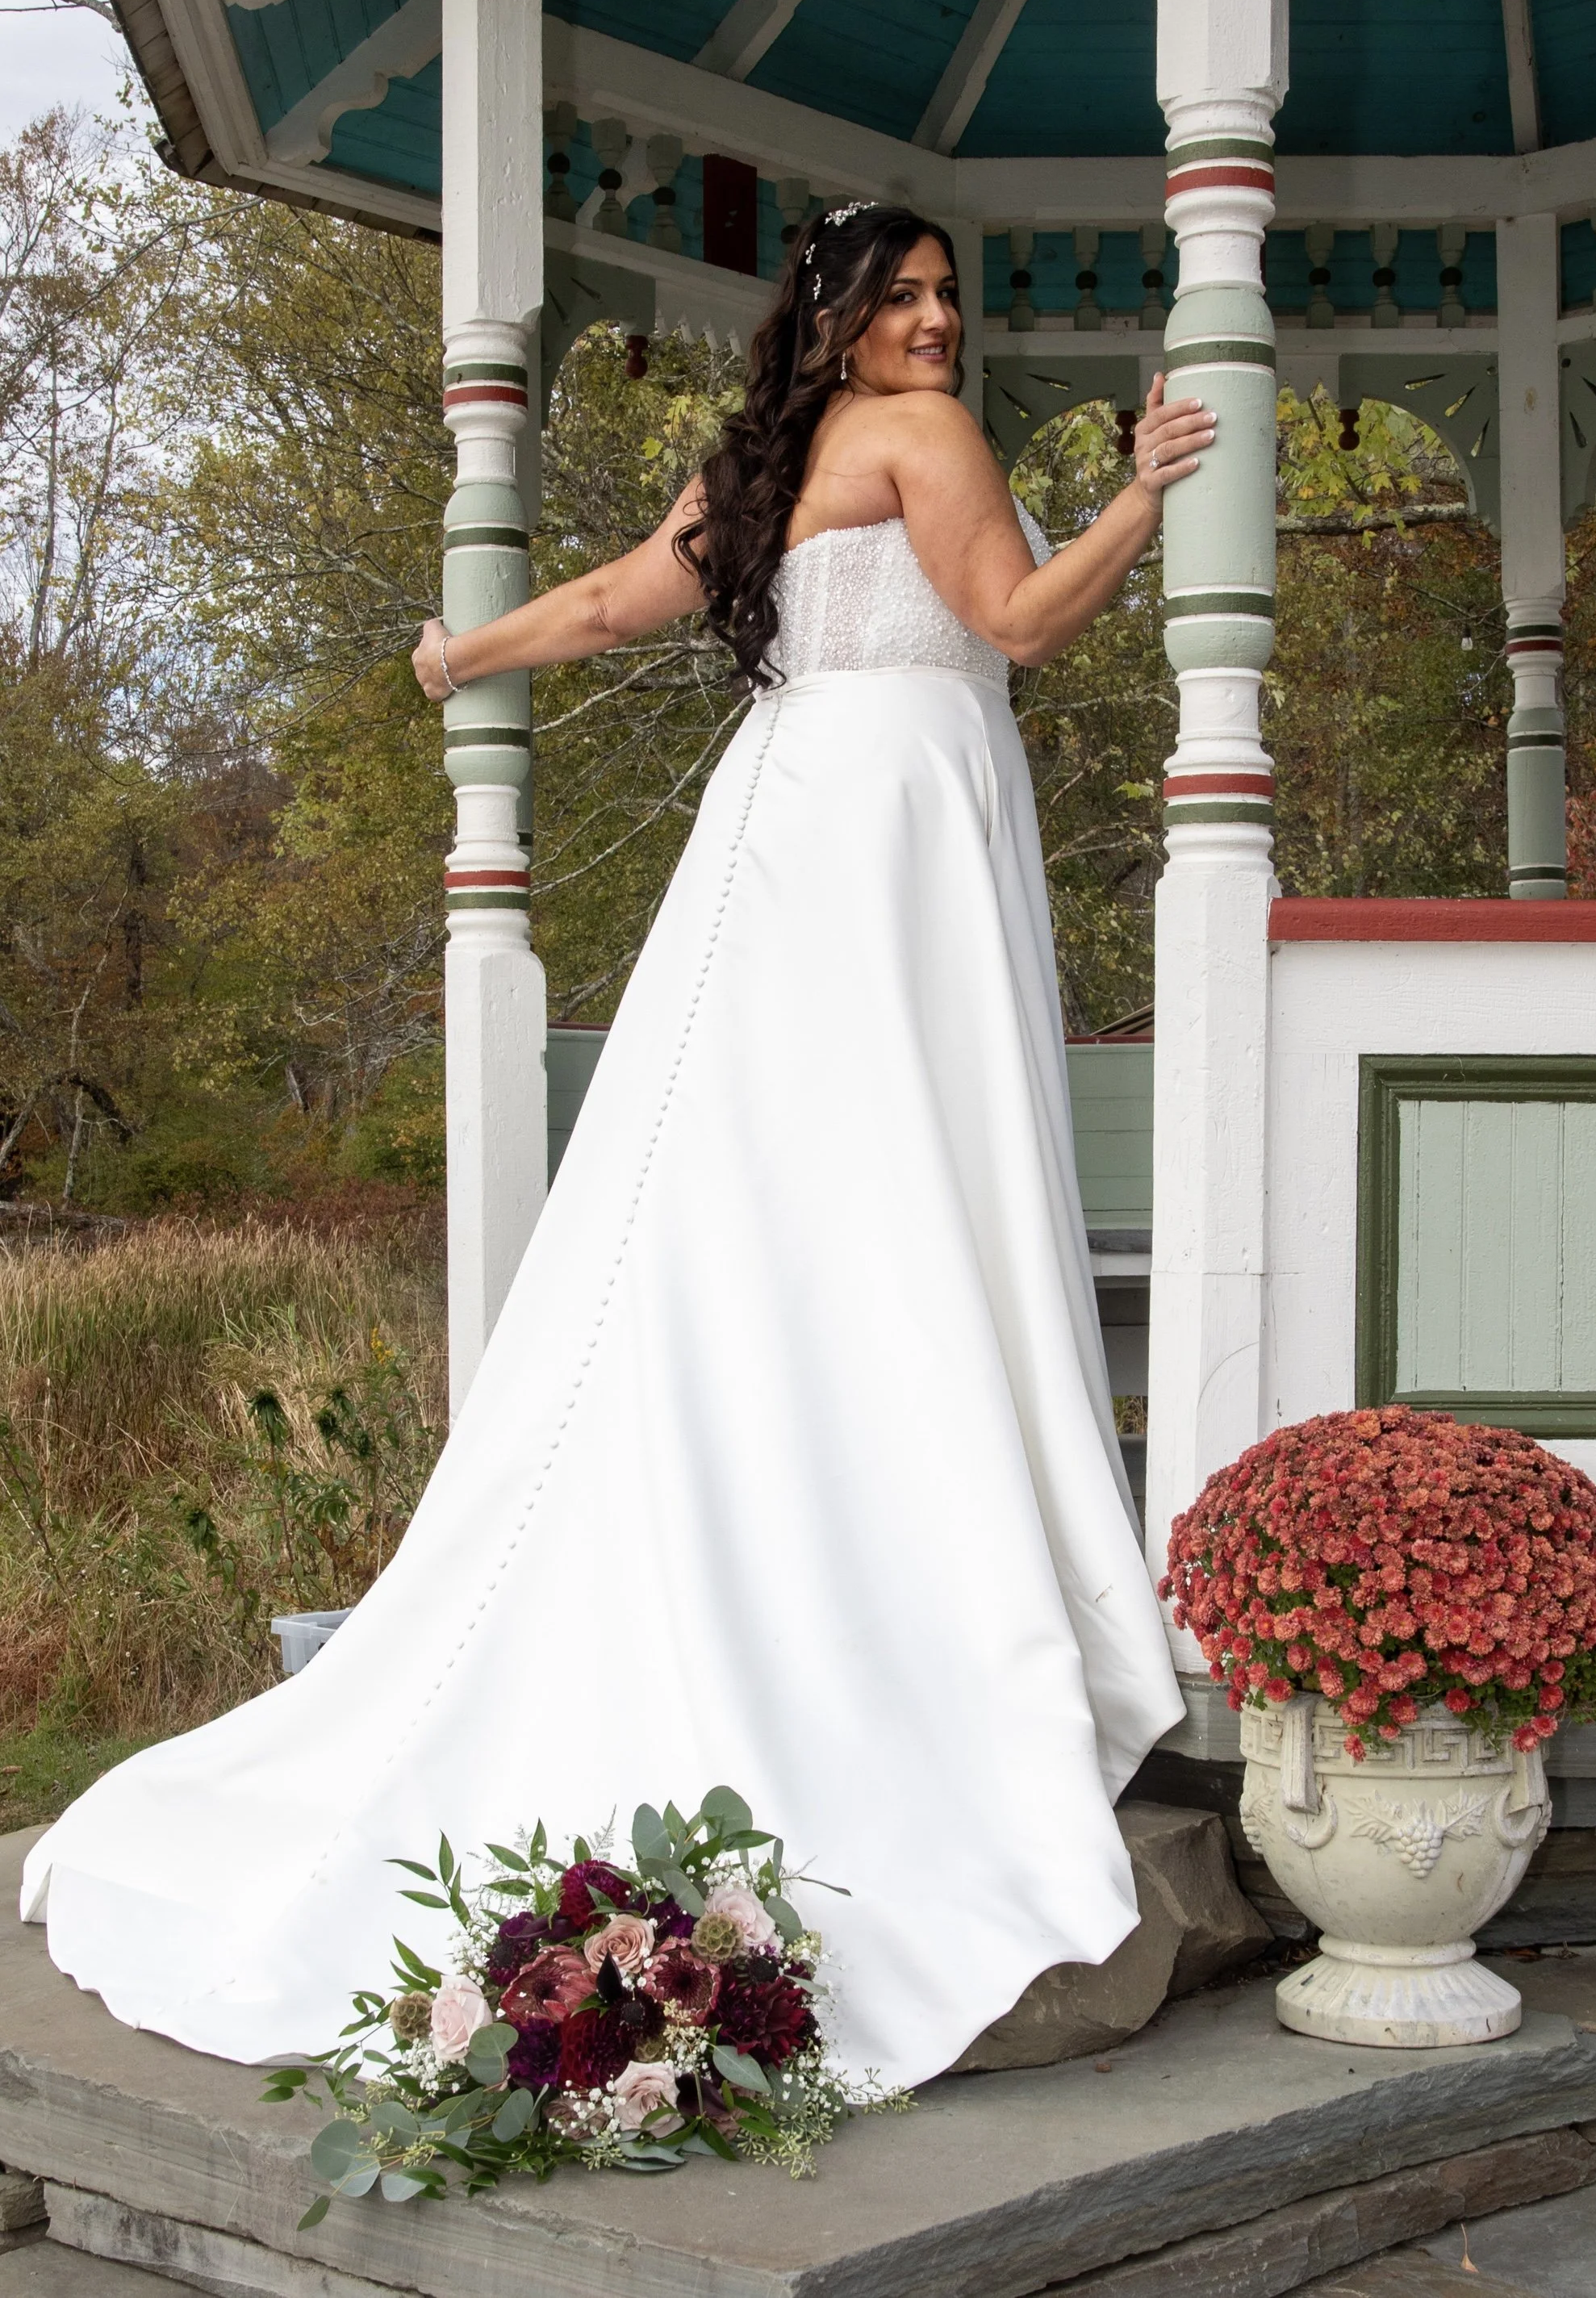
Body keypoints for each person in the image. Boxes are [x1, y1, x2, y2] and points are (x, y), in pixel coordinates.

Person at [23, 204, 1210, 2088]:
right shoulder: (928, 444)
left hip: (789, 824)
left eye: (945, 301)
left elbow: (593, 608)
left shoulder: (754, 466)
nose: (934, 325)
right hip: (889, 822)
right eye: (899, 297)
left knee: (753, 1198)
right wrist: (1144, 496)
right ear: (834, 313)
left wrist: (451, 659)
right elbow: (1020, 621)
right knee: (901, 1196)